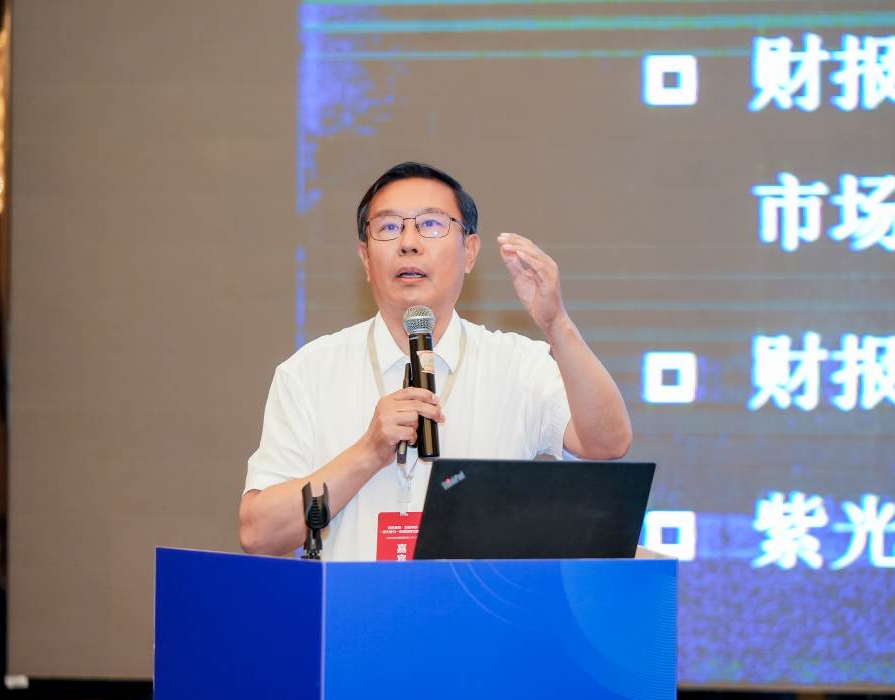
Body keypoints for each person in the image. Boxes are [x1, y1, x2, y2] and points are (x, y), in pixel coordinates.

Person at [240, 162, 631, 560]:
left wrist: (556, 324)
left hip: (472, 602)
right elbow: (259, 534)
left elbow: (607, 443)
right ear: (365, 258)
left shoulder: (518, 365)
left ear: (470, 252)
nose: (408, 243)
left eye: (430, 224)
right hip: (352, 601)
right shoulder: (309, 372)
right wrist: (368, 452)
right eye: (389, 227)